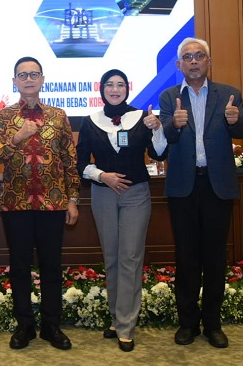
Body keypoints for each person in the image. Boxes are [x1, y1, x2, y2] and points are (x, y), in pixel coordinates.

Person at [159, 37, 243, 349]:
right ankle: (187, 323)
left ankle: (213, 325)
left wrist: (235, 119)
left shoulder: (229, 94)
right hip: (184, 186)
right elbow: (164, 138)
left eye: (200, 56)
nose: (194, 61)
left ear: (208, 62)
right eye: (188, 57)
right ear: (179, 65)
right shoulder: (170, 96)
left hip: (217, 187)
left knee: (214, 258)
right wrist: (175, 124)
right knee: (186, 258)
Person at [0, 56, 81, 351]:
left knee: (51, 266)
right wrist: (18, 136)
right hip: (16, 203)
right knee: (19, 267)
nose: (28, 79)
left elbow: (69, 159)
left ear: (42, 79)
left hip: (53, 203)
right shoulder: (3, 117)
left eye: (34, 74)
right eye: (22, 75)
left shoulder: (58, 115)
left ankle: (51, 325)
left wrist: (72, 199)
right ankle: (25, 325)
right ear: (14, 81)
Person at [76, 69, 167, 352]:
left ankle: (127, 325)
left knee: (130, 256)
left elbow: (159, 153)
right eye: (109, 85)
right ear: (101, 89)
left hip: (136, 194)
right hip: (103, 194)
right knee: (112, 257)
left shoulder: (142, 117)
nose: (114, 89)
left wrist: (158, 128)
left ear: (127, 88)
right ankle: (117, 319)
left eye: (119, 85)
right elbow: (80, 165)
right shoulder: (91, 121)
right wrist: (102, 175)